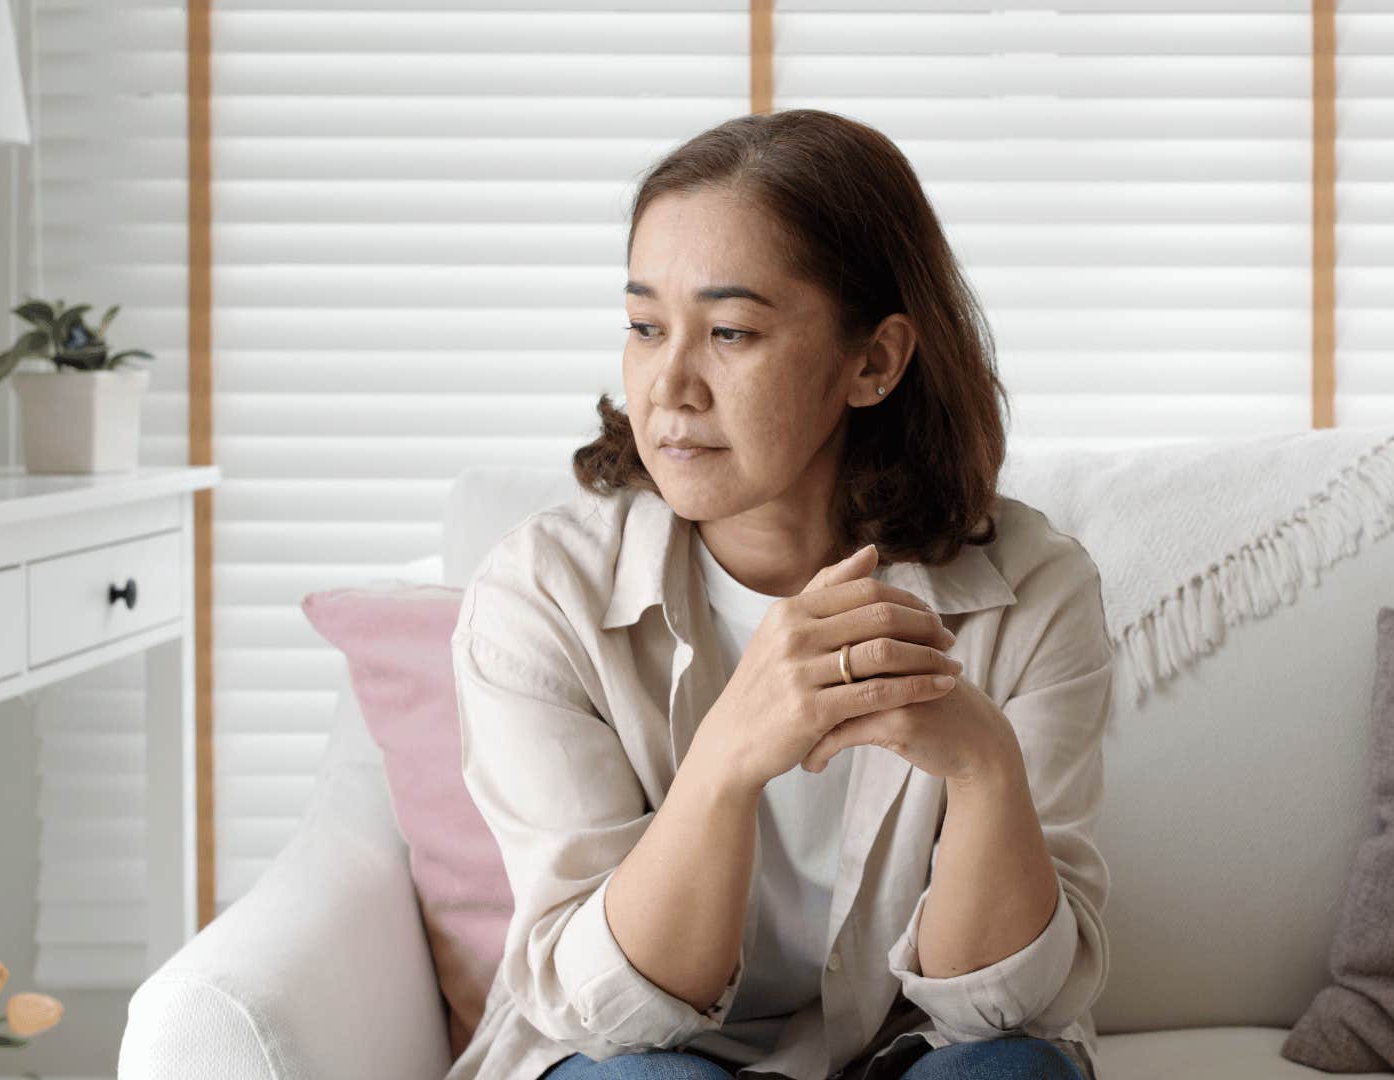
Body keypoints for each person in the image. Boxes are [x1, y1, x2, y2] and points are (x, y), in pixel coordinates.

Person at [443, 108, 1113, 1080]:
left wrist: (982, 769)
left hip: (905, 1050)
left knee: (1007, 1071)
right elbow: (612, 1010)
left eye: (729, 332)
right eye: (642, 327)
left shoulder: (1033, 591)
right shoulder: (540, 599)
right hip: (637, 1055)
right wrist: (726, 759)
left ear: (874, 361)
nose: (668, 386)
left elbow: (1008, 1006)